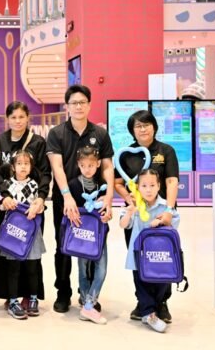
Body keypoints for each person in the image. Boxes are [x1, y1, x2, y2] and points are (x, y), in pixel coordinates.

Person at [46, 84, 114, 313]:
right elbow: (57, 167)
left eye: (82, 102)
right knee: (63, 246)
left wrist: (109, 197)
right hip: (65, 198)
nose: (78, 106)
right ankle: (63, 293)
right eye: (74, 103)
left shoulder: (100, 134)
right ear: (67, 106)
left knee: (92, 244)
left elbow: (107, 166)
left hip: (94, 200)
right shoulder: (57, 133)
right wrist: (67, 196)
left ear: (89, 105)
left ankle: (88, 296)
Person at [115, 109, 180, 323]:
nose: (143, 129)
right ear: (132, 131)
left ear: (154, 126)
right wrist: (130, 199)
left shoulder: (166, 151)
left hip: (161, 214)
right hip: (137, 217)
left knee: (162, 256)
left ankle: (162, 303)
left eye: (146, 124)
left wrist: (169, 210)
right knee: (139, 258)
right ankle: (143, 303)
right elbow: (118, 182)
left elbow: (171, 181)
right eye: (138, 126)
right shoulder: (126, 153)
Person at [0, 101, 50, 310]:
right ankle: (11, 295)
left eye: (21, 117)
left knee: (31, 253)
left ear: (28, 118)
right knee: (9, 251)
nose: (17, 121)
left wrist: (41, 198)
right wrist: (4, 196)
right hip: (9, 208)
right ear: (7, 119)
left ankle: (30, 295)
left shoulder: (38, 142)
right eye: (13, 117)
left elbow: (45, 173)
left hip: (32, 210)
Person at [120, 169, 180, 334]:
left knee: (162, 283)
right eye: (144, 186)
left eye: (152, 185)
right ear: (138, 187)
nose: (148, 189)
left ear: (159, 186)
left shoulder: (165, 206)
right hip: (139, 256)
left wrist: (161, 221)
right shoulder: (134, 205)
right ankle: (148, 313)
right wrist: (130, 211)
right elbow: (123, 224)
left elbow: (174, 222)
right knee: (141, 285)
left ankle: (156, 307)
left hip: (161, 257)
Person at [0, 150, 46, 320]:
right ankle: (12, 301)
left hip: (31, 231)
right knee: (13, 268)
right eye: (19, 164)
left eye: (26, 164)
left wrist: (37, 208)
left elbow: (41, 206)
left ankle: (33, 298)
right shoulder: (6, 185)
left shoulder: (35, 185)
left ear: (31, 167)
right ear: (13, 167)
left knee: (32, 267)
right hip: (12, 232)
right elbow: (0, 206)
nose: (23, 167)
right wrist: (5, 204)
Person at [68, 147, 110, 324]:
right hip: (81, 234)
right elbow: (69, 210)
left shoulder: (103, 185)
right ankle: (87, 303)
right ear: (78, 164)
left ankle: (89, 303)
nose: (87, 169)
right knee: (83, 269)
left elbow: (106, 210)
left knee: (101, 269)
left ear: (98, 164)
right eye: (83, 165)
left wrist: (106, 212)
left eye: (91, 165)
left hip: (99, 234)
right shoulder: (73, 185)